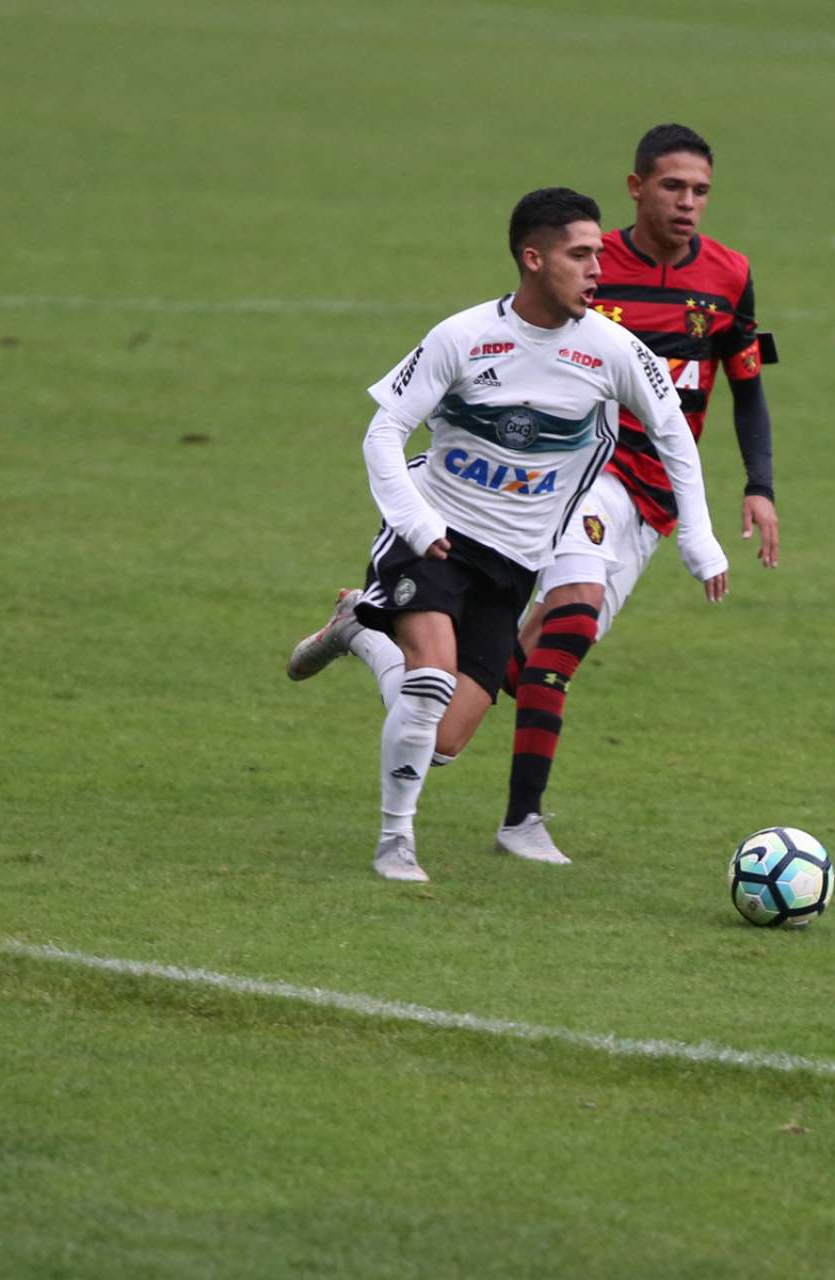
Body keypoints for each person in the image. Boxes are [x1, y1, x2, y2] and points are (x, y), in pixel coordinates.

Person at [289, 188, 729, 883]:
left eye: (597, 255)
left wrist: (698, 539)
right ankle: (394, 842)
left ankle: (359, 630)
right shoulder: (462, 337)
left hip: (515, 560)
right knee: (430, 680)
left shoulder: (612, 350)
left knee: (443, 738)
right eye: (580, 255)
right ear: (534, 258)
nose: (596, 270)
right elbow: (383, 433)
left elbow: (675, 433)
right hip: (434, 534)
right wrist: (412, 519)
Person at [496, 123, 781, 862]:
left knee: (538, 657)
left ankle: (393, 641)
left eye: (701, 191)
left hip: (657, 500)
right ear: (636, 187)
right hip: (585, 474)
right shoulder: (587, 263)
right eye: (673, 187)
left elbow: (747, 386)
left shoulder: (728, 274)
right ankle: (522, 821)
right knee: (569, 628)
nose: (688, 203)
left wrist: (759, 485)